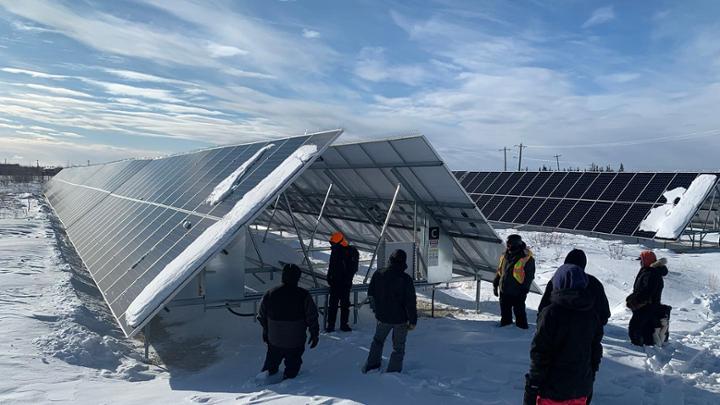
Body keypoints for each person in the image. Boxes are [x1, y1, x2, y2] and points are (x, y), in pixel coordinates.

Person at [524, 262, 603, 405]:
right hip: (581, 387)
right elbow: (595, 350)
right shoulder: (592, 314)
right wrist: (590, 377)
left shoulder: (551, 313)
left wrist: (533, 384)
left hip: (552, 389)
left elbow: (540, 353)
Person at [257, 263, 320, 380]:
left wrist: (266, 331)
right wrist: (314, 334)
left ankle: (266, 375)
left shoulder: (270, 293)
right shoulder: (304, 295)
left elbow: (261, 316)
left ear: (283, 276)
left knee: (272, 358)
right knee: (293, 364)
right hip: (295, 341)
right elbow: (312, 316)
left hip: (274, 340)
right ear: (298, 277)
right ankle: (290, 378)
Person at [363, 249, 417, 373]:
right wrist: (412, 320)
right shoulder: (405, 279)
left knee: (378, 341)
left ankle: (372, 365)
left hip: (383, 317)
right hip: (400, 319)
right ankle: (393, 372)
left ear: (390, 259)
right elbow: (410, 302)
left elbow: (371, 294)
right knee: (398, 347)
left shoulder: (379, 274)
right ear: (404, 262)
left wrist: (377, 310)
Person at [627, 250, 671, 346]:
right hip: (648, 305)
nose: (640, 262)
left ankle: (638, 348)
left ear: (646, 260)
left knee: (635, 328)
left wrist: (634, 300)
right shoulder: (650, 271)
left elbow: (647, 291)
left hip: (646, 306)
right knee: (645, 327)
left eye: (641, 260)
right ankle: (646, 344)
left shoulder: (651, 273)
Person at [493, 234, 535, 329]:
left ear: (516, 244)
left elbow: (529, 275)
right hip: (504, 289)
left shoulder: (526, 258)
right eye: (507, 243)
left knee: (520, 315)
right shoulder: (505, 255)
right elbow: (500, 270)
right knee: (505, 315)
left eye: (510, 244)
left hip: (518, 291)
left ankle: (521, 334)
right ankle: (504, 331)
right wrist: (495, 283)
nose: (507, 246)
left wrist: (524, 289)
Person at [326, 231, 360, 332]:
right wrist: (329, 277)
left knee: (340, 305)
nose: (332, 245)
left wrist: (345, 279)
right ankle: (336, 325)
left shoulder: (350, 251)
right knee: (337, 305)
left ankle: (339, 325)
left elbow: (353, 268)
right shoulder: (338, 250)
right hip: (338, 282)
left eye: (333, 243)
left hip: (342, 283)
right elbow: (331, 265)